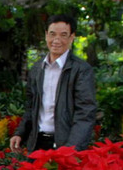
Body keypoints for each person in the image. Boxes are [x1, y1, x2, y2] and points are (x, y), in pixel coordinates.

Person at [10, 14, 98, 153]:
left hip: (66, 144)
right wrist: (20, 133)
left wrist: (70, 149)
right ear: (46, 35)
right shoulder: (37, 69)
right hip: (37, 143)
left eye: (63, 35)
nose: (56, 40)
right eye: (52, 34)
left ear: (71, 37)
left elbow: (85, 113)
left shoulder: (81, 70)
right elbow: (31, 107)